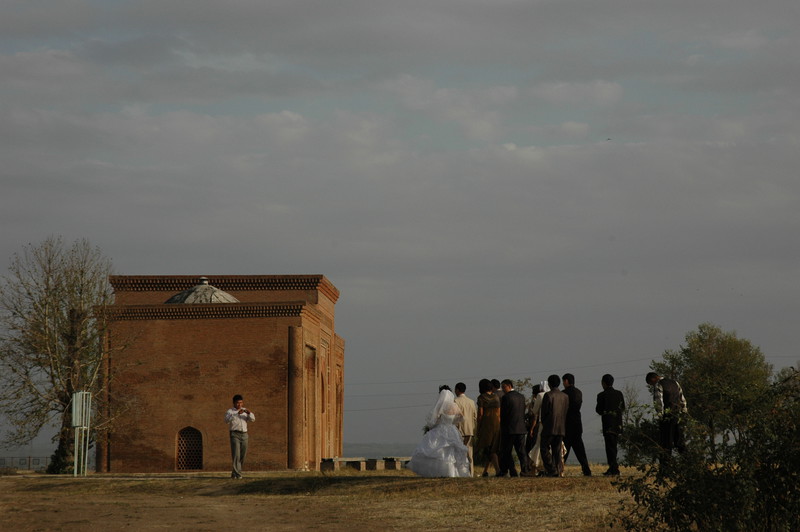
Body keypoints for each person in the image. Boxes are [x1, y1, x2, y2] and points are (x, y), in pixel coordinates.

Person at [407, 387, 471, 477]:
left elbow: (434, 420)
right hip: (452, 429)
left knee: (439, 449)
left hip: (441, 428)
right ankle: (453, 472)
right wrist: (453, 421)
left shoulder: (440, 406)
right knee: (451, 451)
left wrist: (436, 424)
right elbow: (461, 417)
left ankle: (440, 472)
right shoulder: (454, 406)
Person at [646, 372, 688, 456]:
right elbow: (682, 399)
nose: (652, 385)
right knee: (679, 440)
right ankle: (687, 462)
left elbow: (659, 402)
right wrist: (684, 411)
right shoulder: (675, 382)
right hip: (678, 415)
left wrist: (660, 416)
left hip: (667, 416)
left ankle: (666, 466)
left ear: (653, 379)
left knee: (666, 442)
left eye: (651, 384)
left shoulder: (658, 385)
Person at [498, 379, 530, 477]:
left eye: (503, 387)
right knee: (521, 451)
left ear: (508, 386)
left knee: (506, 451)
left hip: (509, 429)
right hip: (521, 428)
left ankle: (511, 471)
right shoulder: (521, 397)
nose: (503, 390)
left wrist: (502, 428)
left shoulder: (506, 398)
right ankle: (525, 471)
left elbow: (503, 415)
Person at [561, 373, 592, 476]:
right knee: (580, 450)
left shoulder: (564, 394)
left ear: (566, 381)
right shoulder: (579, 392)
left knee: (564, 450)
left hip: (567, 423)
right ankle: (586, 469)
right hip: (577, 423)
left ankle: (559, 469)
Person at [540, 374, 569, 477]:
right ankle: (558, 469)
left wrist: (545, 423)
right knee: (557, 451)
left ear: (550, 384)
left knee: (544, 448)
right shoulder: (565, 396)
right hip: (561, 427)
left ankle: (551, 470)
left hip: (549, 426)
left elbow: (544, 413)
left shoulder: (548, 395)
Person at [596, 373, 625, 476]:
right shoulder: (619, 394)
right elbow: (623, 407)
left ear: (603, 383)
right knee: (614, 447)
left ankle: (613, 468)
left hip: (608, 424)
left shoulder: (601, 395)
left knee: (609, 447)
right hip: (618, 424)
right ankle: (613, 467)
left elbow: (599, 410)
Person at [474, 378, 501, 477]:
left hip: (486, 424)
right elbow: (498, 412)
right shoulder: (496, 397)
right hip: (496, 424)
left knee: (487, 448)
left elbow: (480, 414)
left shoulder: (481, 398)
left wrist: (478, 426)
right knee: (493, 447)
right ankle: (486, 471)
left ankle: (497, 470)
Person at [225, 394, 255, 479]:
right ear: (234, 403)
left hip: (244, 434)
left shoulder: (245, 411)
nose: (240, 405)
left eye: (241, 403)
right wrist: (236, 414)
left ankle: (235, 473)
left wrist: (249, 413)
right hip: (235, 434)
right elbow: (226, 420)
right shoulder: (230, 411)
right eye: (238, 403)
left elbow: (253, 419)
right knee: (236, 455)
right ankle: (238, 474)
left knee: (243, 455)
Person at [453, 382, 477, 476]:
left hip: (459, 429)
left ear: (457, 390)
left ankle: (460, 472)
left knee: (459, 453)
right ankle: (471, 472)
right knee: (469, 453)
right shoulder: (471, 402)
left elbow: (454, 416)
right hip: (470, 430)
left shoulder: (455, 401)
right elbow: (475, 417)